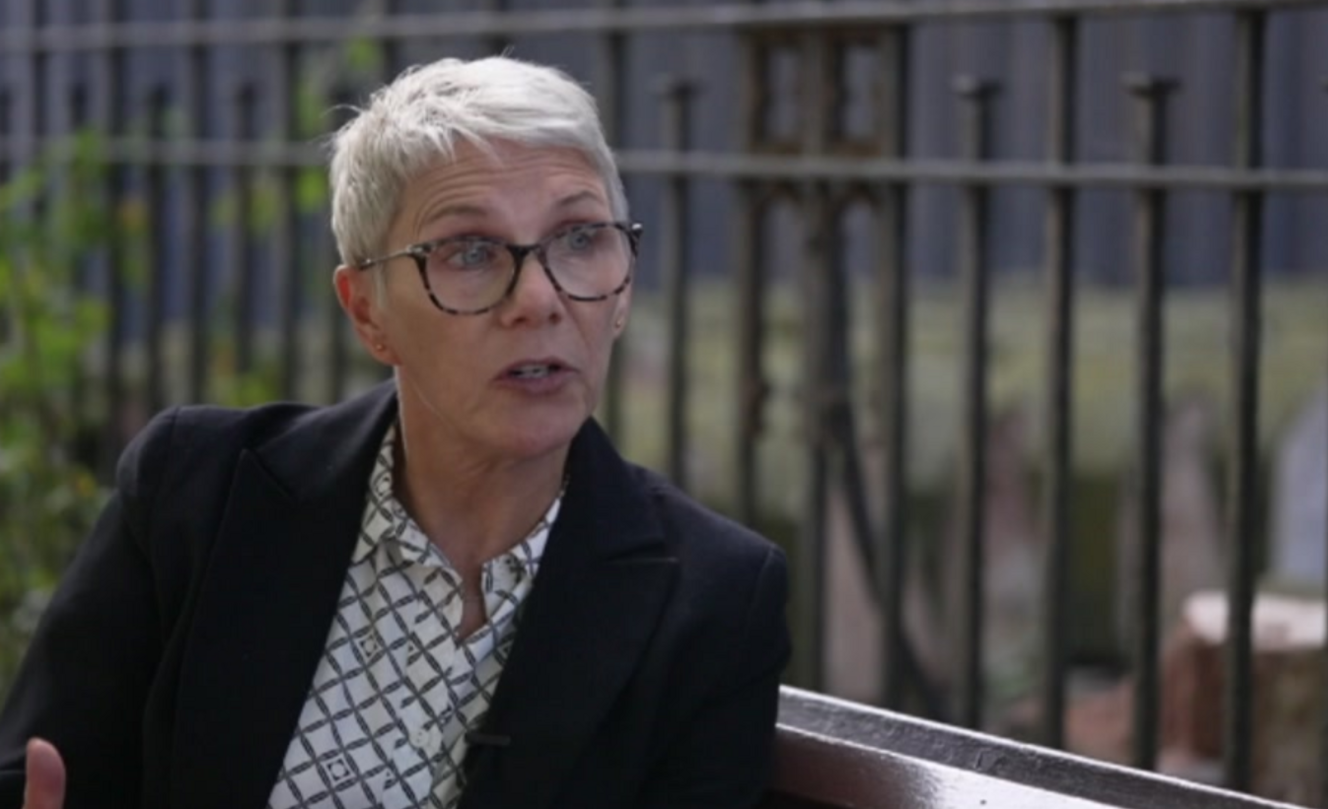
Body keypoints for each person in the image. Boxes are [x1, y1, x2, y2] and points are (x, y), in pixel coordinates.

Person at [0, 55, 790, 809]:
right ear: (367, 312)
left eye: (581, 239)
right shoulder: (197, 494)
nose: (539, 299)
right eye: (471, 251)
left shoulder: (713, 600)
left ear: (622, 291)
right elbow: (39, 775)